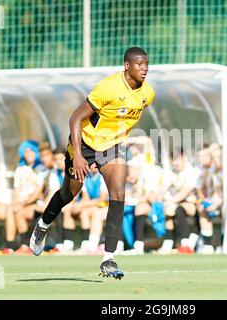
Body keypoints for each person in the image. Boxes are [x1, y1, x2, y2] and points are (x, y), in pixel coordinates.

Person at [29, 47, 155, 279]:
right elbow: (75, 118)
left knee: (118, 192)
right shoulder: (108, 88)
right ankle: (44, 223)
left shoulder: (148, 93)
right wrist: (78, 155)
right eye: (140, 64)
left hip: (112, 146)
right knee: (69, 194)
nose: (145, 68)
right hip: (84, 144)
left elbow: (125, 117)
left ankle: (108, 259)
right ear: (127, 65)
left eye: (147, 64)